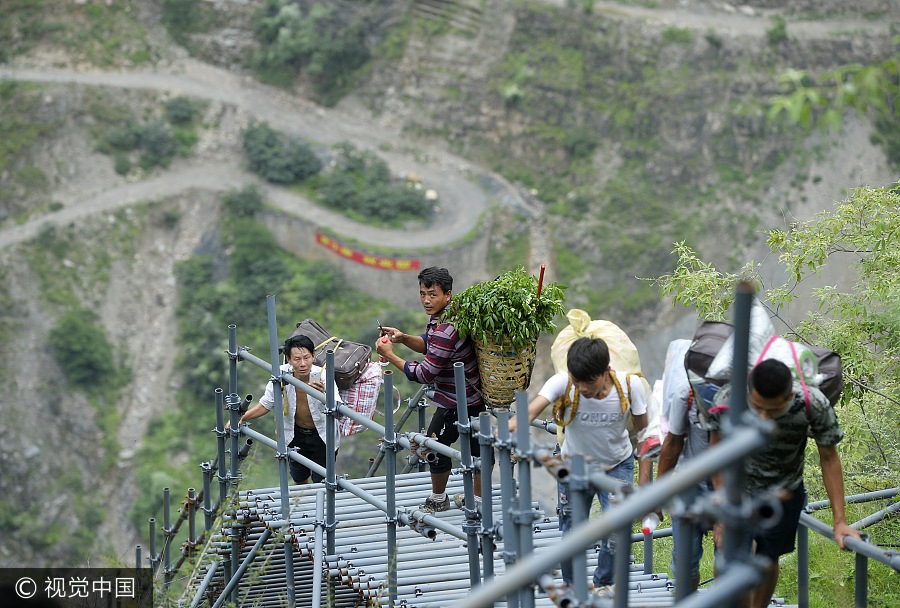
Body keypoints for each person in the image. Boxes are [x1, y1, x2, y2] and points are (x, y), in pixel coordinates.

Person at [707, 358, 861, 608]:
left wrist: (840, 521)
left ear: (789, 395)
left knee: (768, 558)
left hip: (785, 491)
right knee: (729, 558)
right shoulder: (729, 399)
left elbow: (829, 458)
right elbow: (715, 455)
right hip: (737, 491)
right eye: (757, 407)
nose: (764, 417)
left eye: (774, 410)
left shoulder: (812, 404)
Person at [509, 337, 651, 597]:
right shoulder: (564, 382)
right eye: (577, 381)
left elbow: (644, 435)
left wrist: (645, 482)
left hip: (616, 465)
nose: (582, 388)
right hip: (574, 467)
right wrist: (508, 429)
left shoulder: (630, 387)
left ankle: (603, 582)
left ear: (607, 371)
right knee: (573, 533)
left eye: (589, 382)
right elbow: (530, 412)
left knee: (616, 531)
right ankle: (573, 589)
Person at [376, 266, 486, 513]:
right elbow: (428, 344)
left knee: (432, 446)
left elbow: (424, 373)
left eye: (432, 294)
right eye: (423, 293)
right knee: (478, 449)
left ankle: (441, 499)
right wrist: (403, 338)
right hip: (470, 396)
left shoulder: (447, 330)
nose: (426, 300)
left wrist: (390, 355)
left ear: (448, 294)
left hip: (457, 401)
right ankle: (473, 501)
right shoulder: (448, 317)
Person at [656, 339, 720, 592]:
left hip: (731, 484)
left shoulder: (742, 397)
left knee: (727, 558)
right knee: (685, 562)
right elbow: (672, 444)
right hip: (690, 480)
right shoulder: (687, 393)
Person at [236, 334, 342, 484]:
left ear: (313, 356)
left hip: (322, 436)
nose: (303, 364)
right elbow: (266, 404)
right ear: (288, 359)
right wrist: (241, 418)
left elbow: (338, 410)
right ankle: (304, 505)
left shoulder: (321, 376)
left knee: (322, 482)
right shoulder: (281, 375)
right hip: (294, 434)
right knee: (299, 478)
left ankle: (320, 507)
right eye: (297, 359)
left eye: (307, 358)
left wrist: (324, 396)